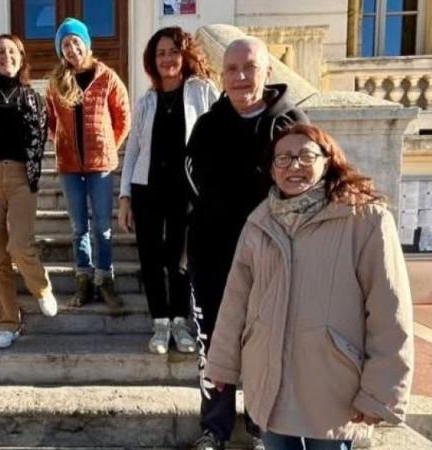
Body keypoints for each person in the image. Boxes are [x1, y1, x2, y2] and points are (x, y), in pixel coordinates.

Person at [206, 124, 414, 450]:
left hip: (334, 387)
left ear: (327, 161)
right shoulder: (258, 223)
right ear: (272, 170)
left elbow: (390, 312)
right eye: (284, 159)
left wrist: (381, 391)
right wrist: (222, 364)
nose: (294, 166)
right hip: (269, 380)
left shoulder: (366, 219)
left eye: (306, 156)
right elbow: (236, 300)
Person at [185, 36, 309, 450]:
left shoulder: (291, 123)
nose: (240, 77)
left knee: (265, 346)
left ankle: (260, 427)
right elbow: (192, 178)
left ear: (266, 72)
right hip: (213, 255)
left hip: (274, 258)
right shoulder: (207, 125)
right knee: (213, 345)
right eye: (232, 69)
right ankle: (214, 429)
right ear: (222, 77)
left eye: (249, 68)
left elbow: (309, 184)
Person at [119, 27, 218, 355]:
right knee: (150, 257)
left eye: (173, 52)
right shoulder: (146, 100)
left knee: (180, 259)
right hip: (147, 188)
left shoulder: (203, 91)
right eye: (160, 54)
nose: (167, 59)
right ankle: (159, 323)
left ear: (184, 54)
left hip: (187, 191)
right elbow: (132, 149)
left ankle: (180, 321)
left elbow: (217, 140)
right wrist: (124, 197)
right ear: (152, 60)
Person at [0, 34, 58, 349]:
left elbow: (40, 139)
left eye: (11, 51)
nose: (6, 56)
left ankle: (41, 287)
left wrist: (34, 177)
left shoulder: (33, 97)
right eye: (0, 52)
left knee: (19, 245)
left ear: (21, 58)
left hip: (21, 177)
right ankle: (7, 323)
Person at [46, 17, 131, 309]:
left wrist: (110, 146)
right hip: (69, 167)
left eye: (75, 42)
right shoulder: (56, 83)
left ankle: (104, 279)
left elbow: (123, 118)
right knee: (78, 227)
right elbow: (50, 121)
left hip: (100, 166)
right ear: (61, 50)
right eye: (66, 44)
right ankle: (83, 280)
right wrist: (60, 143)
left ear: (86, 44)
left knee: (103, 228)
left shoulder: (107, 77)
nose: (71, 48)